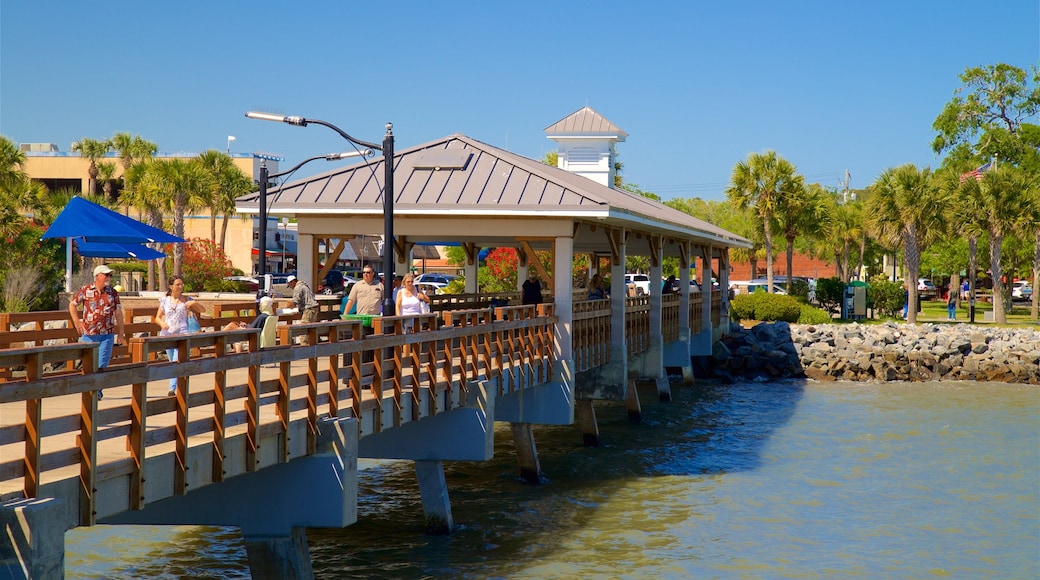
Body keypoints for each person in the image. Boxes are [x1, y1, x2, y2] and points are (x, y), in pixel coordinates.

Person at [69, 264, 124, 400]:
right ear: (97, 276)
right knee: (89, 364)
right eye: (106, 275)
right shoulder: (86, 290)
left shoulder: (113, 292)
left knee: (102, 364)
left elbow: (118, 312)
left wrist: (121, 333)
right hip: (89, 334)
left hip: (107, 334)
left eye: (109, 275)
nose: (108, 278)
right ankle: (89, 389)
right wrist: (77, 321)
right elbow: (72, 304)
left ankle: (97, 392)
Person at [154, 275, 206, 396]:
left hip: (182, 334)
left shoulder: (187, 299)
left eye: (182, 284)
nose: (180, 286)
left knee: (177, 361)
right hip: (168, 334)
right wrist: (162, 323)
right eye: (178, 284)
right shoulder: (165, 300)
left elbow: (202, 310)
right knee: (172, 361)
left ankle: (172, 388)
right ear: (171, 286)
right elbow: (157, 317)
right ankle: (179, 384)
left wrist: (194, 303)